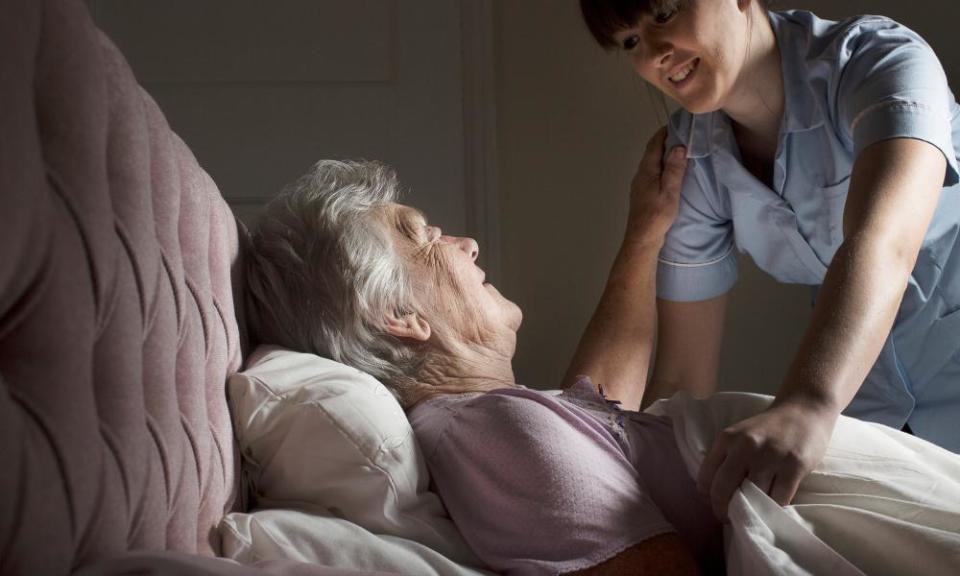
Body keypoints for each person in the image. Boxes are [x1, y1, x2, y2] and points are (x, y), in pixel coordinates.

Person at [245, 156, 960, 575]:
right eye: (427, 237)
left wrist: (646, 232)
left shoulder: (498, 421)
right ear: (399, 317)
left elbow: (601, 414)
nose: (464, 242)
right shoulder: (491, 435)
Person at [579, 0, 960, 520]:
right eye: (630, 43)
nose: (653, 54)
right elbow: (684, 380)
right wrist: (634, 504)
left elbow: (881, 244)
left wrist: (806, 405)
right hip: (876, 411)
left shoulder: (878, 62)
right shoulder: (690, 156)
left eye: (664, 14)